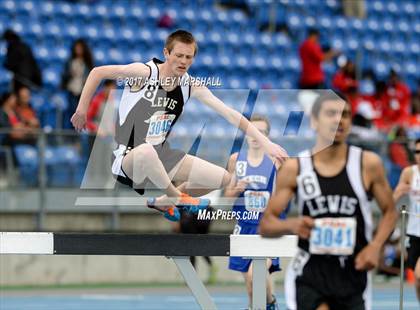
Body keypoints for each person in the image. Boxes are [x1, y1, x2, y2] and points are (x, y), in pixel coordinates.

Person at [71, 29, 287, 221]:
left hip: (161, 156)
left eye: (189, 57)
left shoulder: (190, 85)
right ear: (166, 53)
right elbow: (97, 72)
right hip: (128, 159)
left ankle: (167, 200)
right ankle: (178, 197)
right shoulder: (144, 73)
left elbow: (230, 114)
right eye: (179, 55)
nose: (183, 61)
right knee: (146, 151)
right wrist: (81, 110)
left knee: (222, 178)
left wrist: (266, 143)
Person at [260, 92, 398, 310]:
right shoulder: (296, 168)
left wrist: (375, 246)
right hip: (310, 272)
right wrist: (292, 225)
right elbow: (267, 224)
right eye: (331, 114)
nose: (338, 120)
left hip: (353, 271)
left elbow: (390, 212)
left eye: (345, 115)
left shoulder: (368, 164)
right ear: (314, 121)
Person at [225, 115, 287, 309]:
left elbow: (288, 193)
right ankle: (267, 304)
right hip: (244, 226)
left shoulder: (277, 160)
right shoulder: (236, 160)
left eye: (261, 133)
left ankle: (270, 303)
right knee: (252, 288)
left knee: (256, 276)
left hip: (267, 226)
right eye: (252, 131)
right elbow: (227, 197)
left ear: (267, 137)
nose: (256, 136)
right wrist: (237, 189)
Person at [393, 138, 420, 302]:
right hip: (415, 234)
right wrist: (399, 192)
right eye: (417, 152)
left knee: (419, 274)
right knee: (417, 282)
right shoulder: (410, 173)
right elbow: (391, 201)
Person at [61, 39, 94, 129]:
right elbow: (64, 75)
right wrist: (70, 74)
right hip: (72, 89)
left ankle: (79, 132)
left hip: (82, 90)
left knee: (81, 112)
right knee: (71, 112)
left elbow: (91, 75)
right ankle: (71, 132)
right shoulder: (70, 61)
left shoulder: (87, 62)